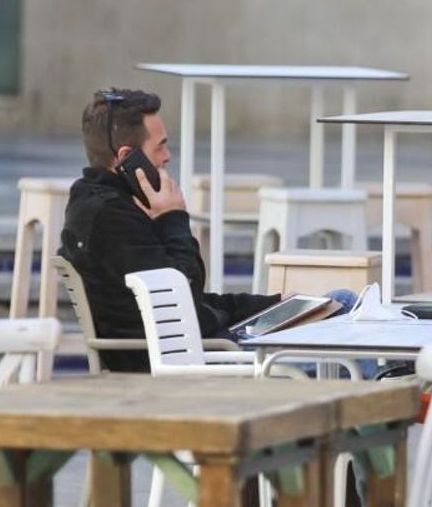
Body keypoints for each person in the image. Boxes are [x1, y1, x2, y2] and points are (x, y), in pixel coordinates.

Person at [59, 87, 283, 373]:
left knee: (339, 304)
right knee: (340, 333)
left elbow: (194, 301)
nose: (167, 156)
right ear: (128, 157)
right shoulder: (111, 218)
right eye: (160, 146)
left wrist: (274, 306)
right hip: (202, 362)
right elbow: (185, 299)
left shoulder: (111, 204)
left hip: (211, 347)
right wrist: (173, 218)